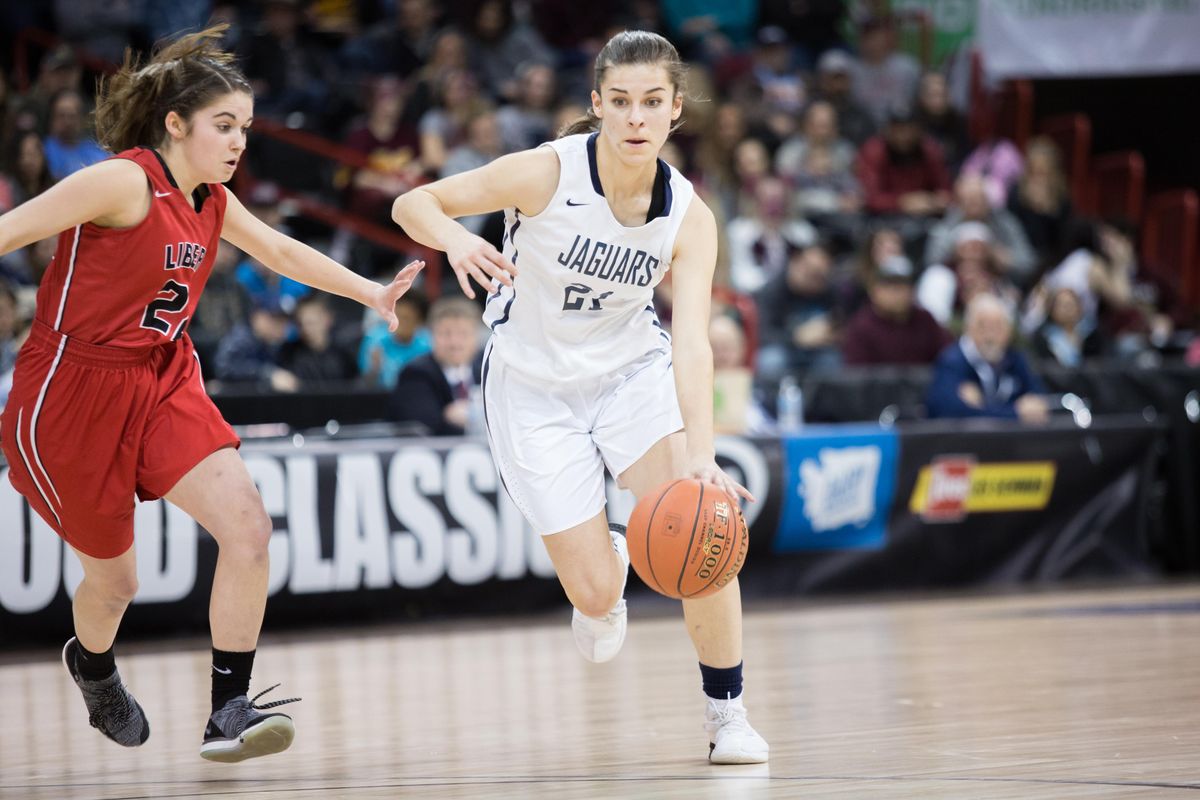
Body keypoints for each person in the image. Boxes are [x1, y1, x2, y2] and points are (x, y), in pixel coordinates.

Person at [0, 27, 424, 762]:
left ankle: (229, 708)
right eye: (224, 126)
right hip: (72, 390)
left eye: (246, 129)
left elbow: (283, 252)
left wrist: (368, 290)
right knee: (117, 583)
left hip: (162, 375)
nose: (238, 142)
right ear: (175, 123)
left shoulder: (214, 201)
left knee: (249, 527)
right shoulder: (123, 181)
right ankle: (93, 666)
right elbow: (8, 230)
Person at [392, 30, 769, 764]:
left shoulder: (689, 217)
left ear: (675, 112)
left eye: (651, 103)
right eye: (621, 102)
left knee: (705, 526)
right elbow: (414, 203)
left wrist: (702, 455)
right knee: (596, 598)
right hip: (531, 389)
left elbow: (691, 342)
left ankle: (729, 714)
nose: (635, 118)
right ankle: (608, 573)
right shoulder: (544, 173)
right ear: (597, 105)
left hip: (629, 372)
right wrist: (456, 241)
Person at [927, 293, 1048, 421]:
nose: (990, 335)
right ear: (968, 328)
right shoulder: (951, 361)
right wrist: (1016, 413)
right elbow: (951, 412)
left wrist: (981, 408)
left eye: (997, 327)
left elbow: (1038, 400)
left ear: (1009, 331)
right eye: (982, 326)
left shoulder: (1016, 359)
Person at [388, 296, 483, 435]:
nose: (454, 343)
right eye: (446, 334)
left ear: (476, 338)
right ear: (431, 336)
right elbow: (423, 427)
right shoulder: (415, 373)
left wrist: (470, 416)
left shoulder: (489, 371)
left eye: (463, 334)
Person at [841, 255, 950, 366]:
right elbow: (857, 375)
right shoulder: (861, 327)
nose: (897, 293)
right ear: (873, 290)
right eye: (889, 285)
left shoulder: (925, 320)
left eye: (903, 285)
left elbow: (948, 357)